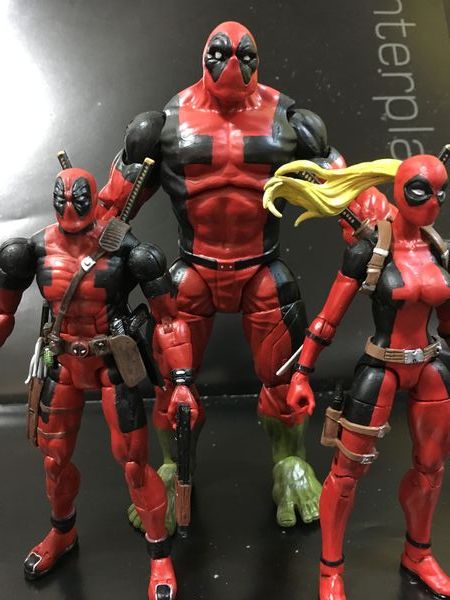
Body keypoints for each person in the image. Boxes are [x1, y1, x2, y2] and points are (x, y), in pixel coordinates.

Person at [99, 20, 391, 530]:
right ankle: (171, 468)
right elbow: (111, 209)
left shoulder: (292, 122)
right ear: (203, 57)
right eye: (221, 53)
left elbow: (343, 188)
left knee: (283, 377)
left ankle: (289, 463)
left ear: (257, 59)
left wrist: (383, 224)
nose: (233, 62)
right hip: (194, 268)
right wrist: (92, 257)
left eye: (244, 54)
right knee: (170, 380)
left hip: (261, 270)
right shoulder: (162, 125)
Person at [0, 164, 197, 600]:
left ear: (93, 199)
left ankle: (159, 556)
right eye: (63, 200)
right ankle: (63, 533)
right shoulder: (30, 250)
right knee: (54, 460)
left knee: (133, 463)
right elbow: (3, 312)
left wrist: (181, 381)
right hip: (62, 363)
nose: (71, 208)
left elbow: (169, 320)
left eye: (79, 200)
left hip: (112, 363)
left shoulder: (129, 251)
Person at [264, 153, 450, 599]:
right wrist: (302, 374)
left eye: (441, 192)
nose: (433, 202)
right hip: (381, 367)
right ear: (399, 191)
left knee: (430, 469)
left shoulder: (439, 250)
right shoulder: (370, 250)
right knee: (346, 474)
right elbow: (328, 320)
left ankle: (419, 553)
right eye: (421, 191)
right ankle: (330, 570)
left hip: (430, 367)